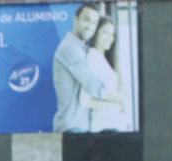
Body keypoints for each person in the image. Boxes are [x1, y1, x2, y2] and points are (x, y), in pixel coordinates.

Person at [51, 3, 126, 132]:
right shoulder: (70, 48)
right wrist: (119, 99)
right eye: (86, 20)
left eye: (94, 23)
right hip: (71, 127)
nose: (90, 26)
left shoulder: (83, 50)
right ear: (75, 20)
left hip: (82, 126)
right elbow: (93, 85)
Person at [79, 16, 131, 132]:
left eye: (112, 34)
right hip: (105, 127)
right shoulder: (92, 56)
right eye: (105, 32)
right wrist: (117, 101)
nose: (110, 38)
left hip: (115, 125)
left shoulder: (104, 60)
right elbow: (85, 100)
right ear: (95, 33)